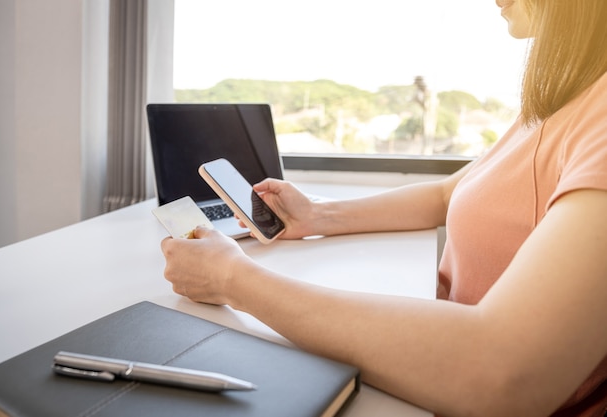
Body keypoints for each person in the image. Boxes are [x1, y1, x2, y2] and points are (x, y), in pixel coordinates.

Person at [161, 0, 607, 415]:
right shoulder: (560, 101)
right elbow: (449, 193)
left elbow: (506, 372)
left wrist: (232, 280)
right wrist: (320, 216)